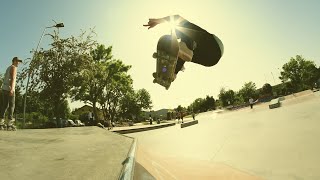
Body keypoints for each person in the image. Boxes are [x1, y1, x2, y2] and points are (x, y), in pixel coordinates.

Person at [144, 15, 224, 81]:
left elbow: (176, 17)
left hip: (214, 46)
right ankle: (173, 73)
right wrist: (172, 72)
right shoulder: (186, 47)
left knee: (179, 32)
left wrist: (157, 21)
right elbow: (185, 54)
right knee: (183, 53)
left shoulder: (184, 31)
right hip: (211, 61)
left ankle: (175, 71)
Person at [0, 57, 22, 130]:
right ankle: (9, 124)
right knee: (12, 105)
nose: (18, 63)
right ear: (14, 61)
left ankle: (1, 123)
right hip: (9, 89)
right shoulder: (14, 67)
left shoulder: (8, 68)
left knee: (5, 105)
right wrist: (12, 89)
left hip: (4, 88)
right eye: (18, 61)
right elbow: (12, 78)